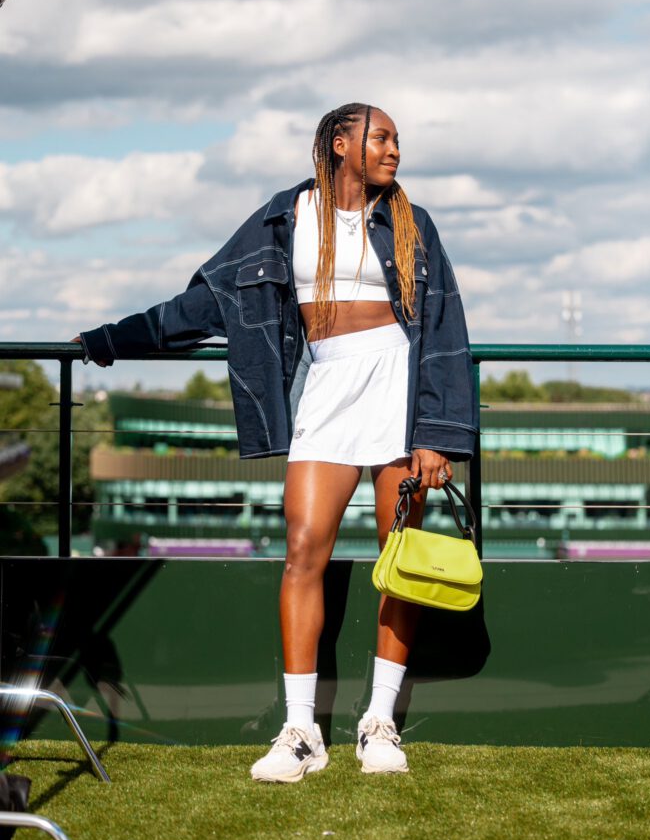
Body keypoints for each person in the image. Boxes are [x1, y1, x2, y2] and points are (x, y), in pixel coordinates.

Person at [76, 102, 479, 782]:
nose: (394, 151)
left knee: (399, 554)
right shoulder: (281, 220)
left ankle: (378, 722)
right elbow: (206, 304)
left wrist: (436, 433)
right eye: (380, 138)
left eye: (396, 140)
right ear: (339, 144)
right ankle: (300, 732)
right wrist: (110, 341)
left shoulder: (410, 221)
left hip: (398, 386)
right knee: (301, 550)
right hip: (324, 390)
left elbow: (442, 324)